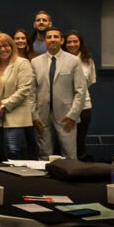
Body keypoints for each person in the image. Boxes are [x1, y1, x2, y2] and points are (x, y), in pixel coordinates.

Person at [31, 27, 88, 160]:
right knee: (44, 154)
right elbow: (31, 91)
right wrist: (34, 115)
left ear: (62, 40)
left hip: (66, 116)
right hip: (41, 116)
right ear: (44, 41)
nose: (52, 40)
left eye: (56, 37)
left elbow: (81, 90)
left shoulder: (73, 61)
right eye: (49, 37)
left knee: (69, 154)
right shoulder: (35, 62)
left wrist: (73, 115)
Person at [0, 33, 36, 160]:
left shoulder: (22, 63)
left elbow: (24, 90)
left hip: (15, 116)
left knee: (13, 153)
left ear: (12, 46)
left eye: (5, 46)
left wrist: (3, 107)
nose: (2, 49)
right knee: (2, 154)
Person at [63, 30, 96, 160]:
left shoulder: (88, 60)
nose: (72, 44)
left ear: (80, 43)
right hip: (65, 107)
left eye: (75, 41)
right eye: (69, 42)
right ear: (64, 44)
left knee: (80, 142)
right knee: (65, 143)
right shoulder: (61, 60)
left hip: (84, 106)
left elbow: (89, 82)